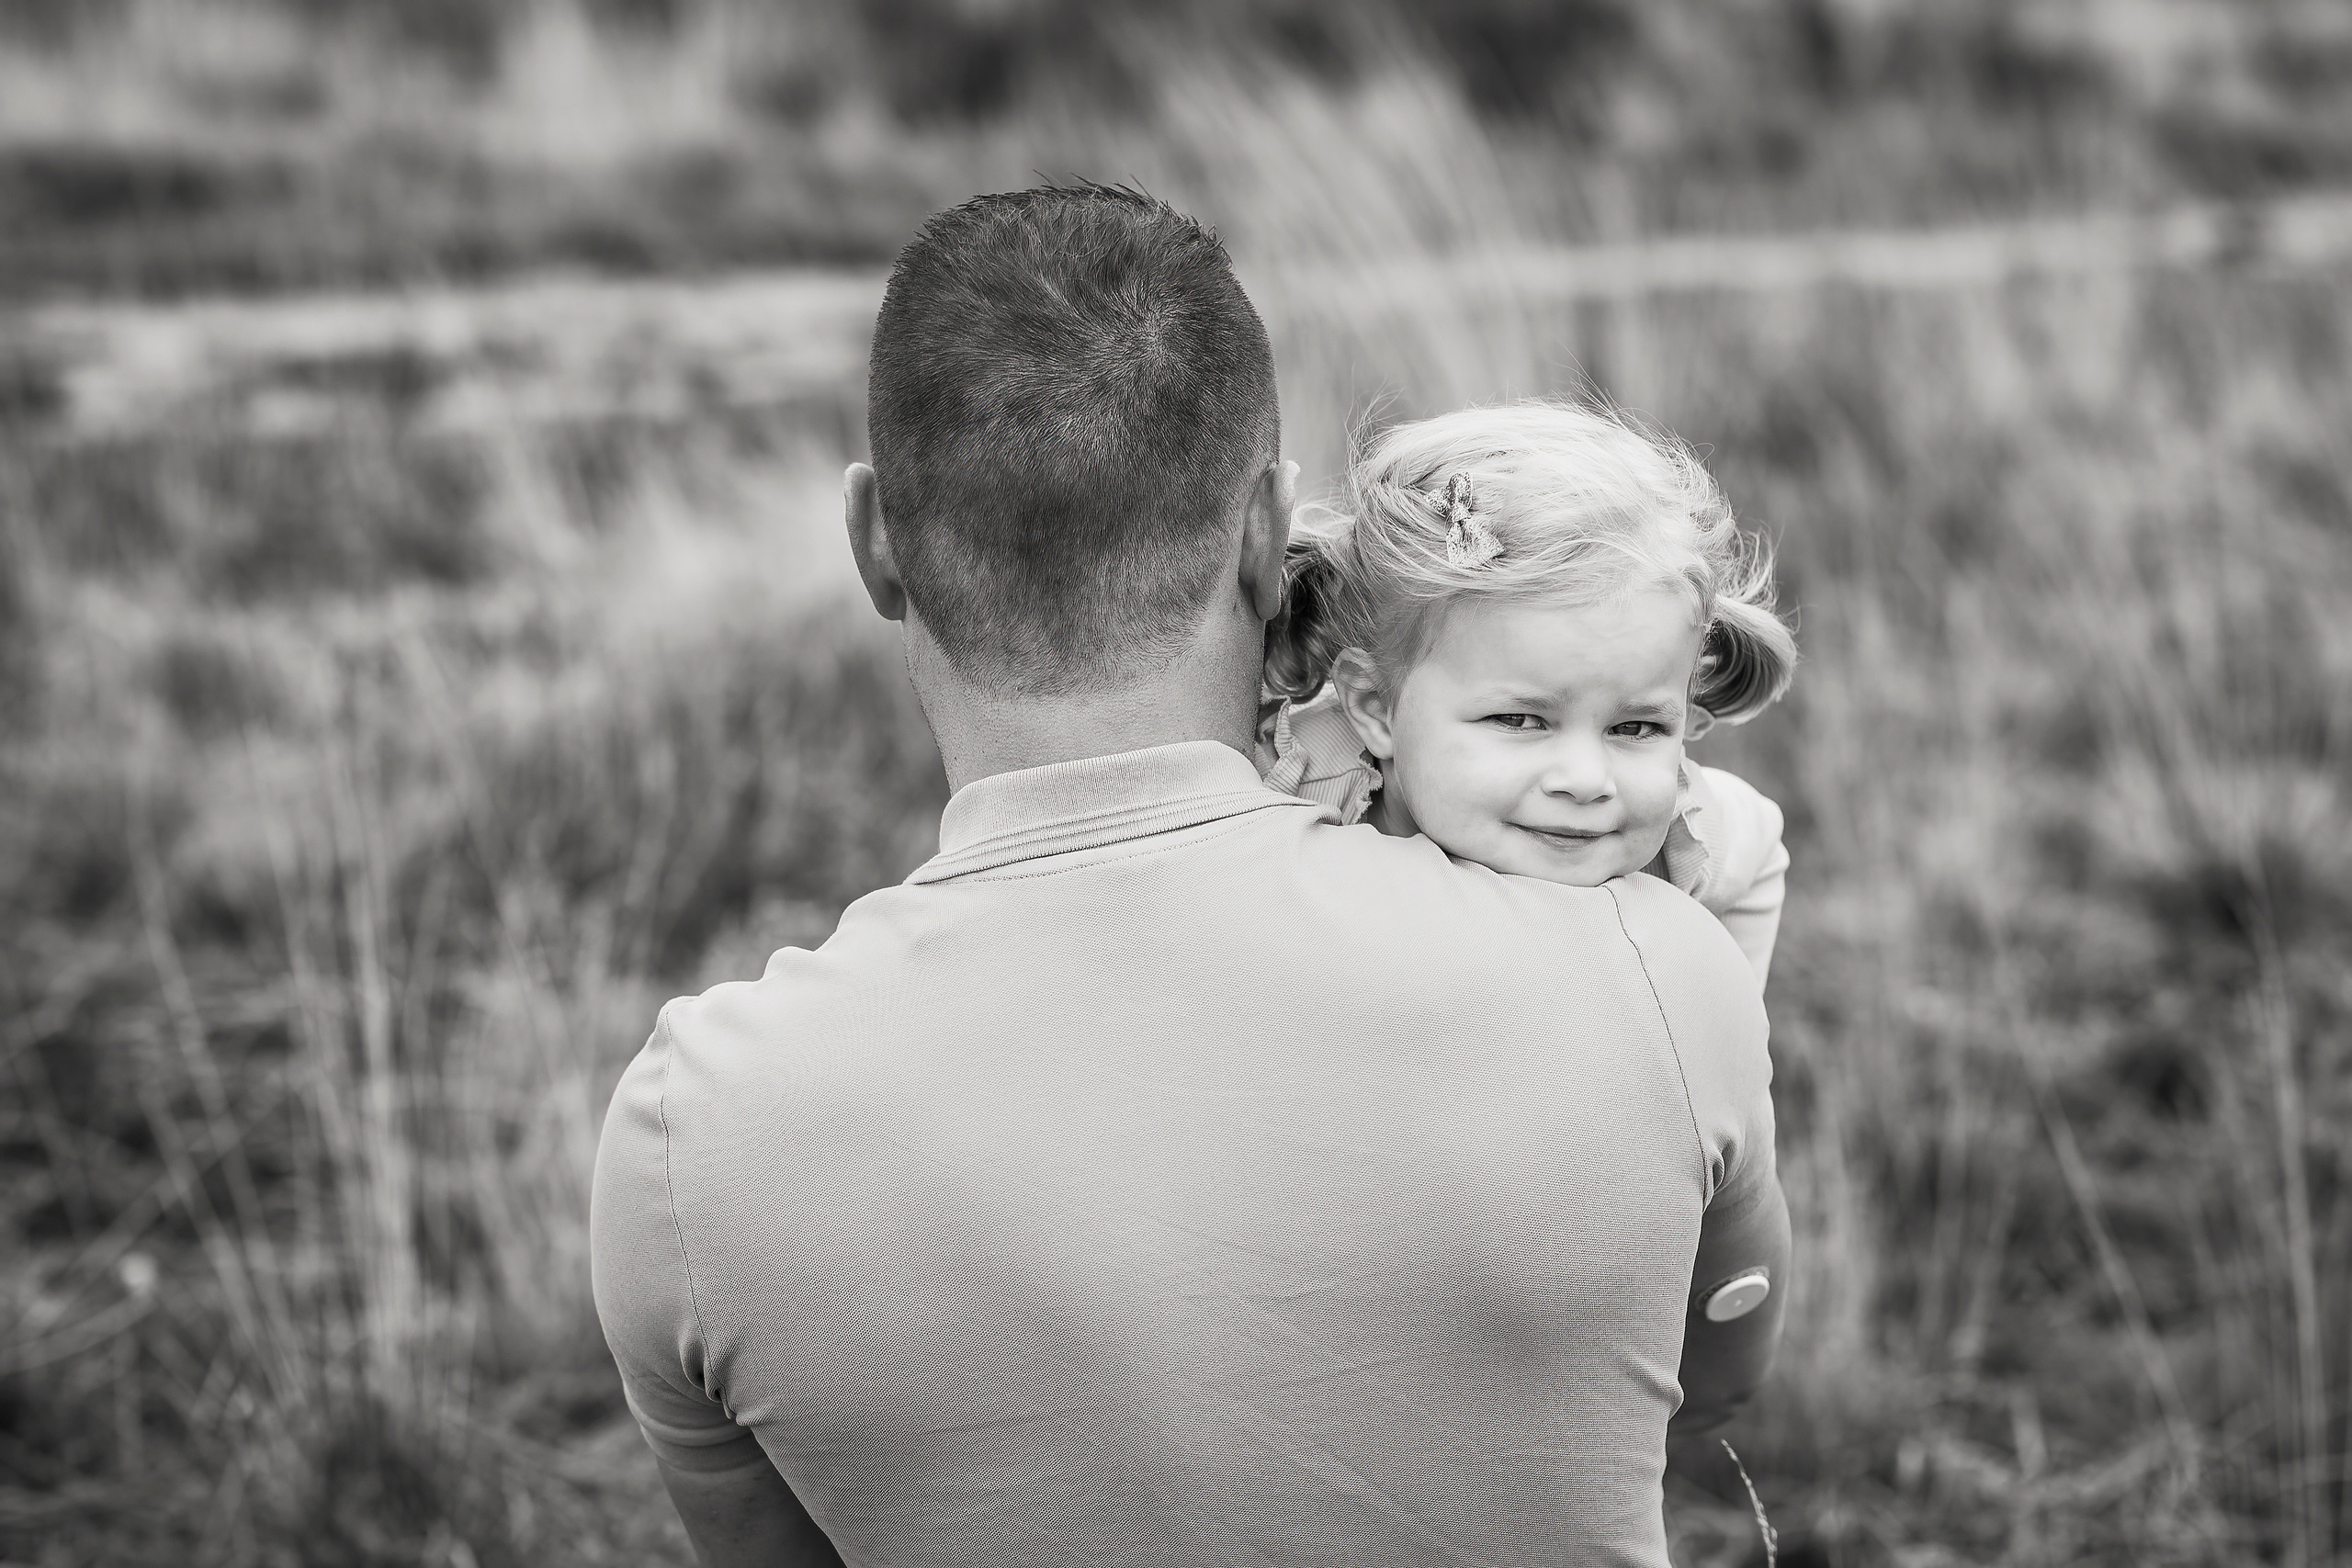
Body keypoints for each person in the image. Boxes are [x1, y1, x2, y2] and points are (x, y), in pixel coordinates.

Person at [590, 184, 1789, 1568]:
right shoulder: (1652, 963)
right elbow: (1711, 1386)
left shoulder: (691, 1139)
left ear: (876, 543)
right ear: (1264, 536)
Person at [1258, 400, 1797, 980]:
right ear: (1375, 708)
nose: (1587, 780)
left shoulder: (1682, 835)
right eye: (1519, 720)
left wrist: (1724, 1016)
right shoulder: (1301, 798)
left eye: (1636, 728)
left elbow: (1758, 850)